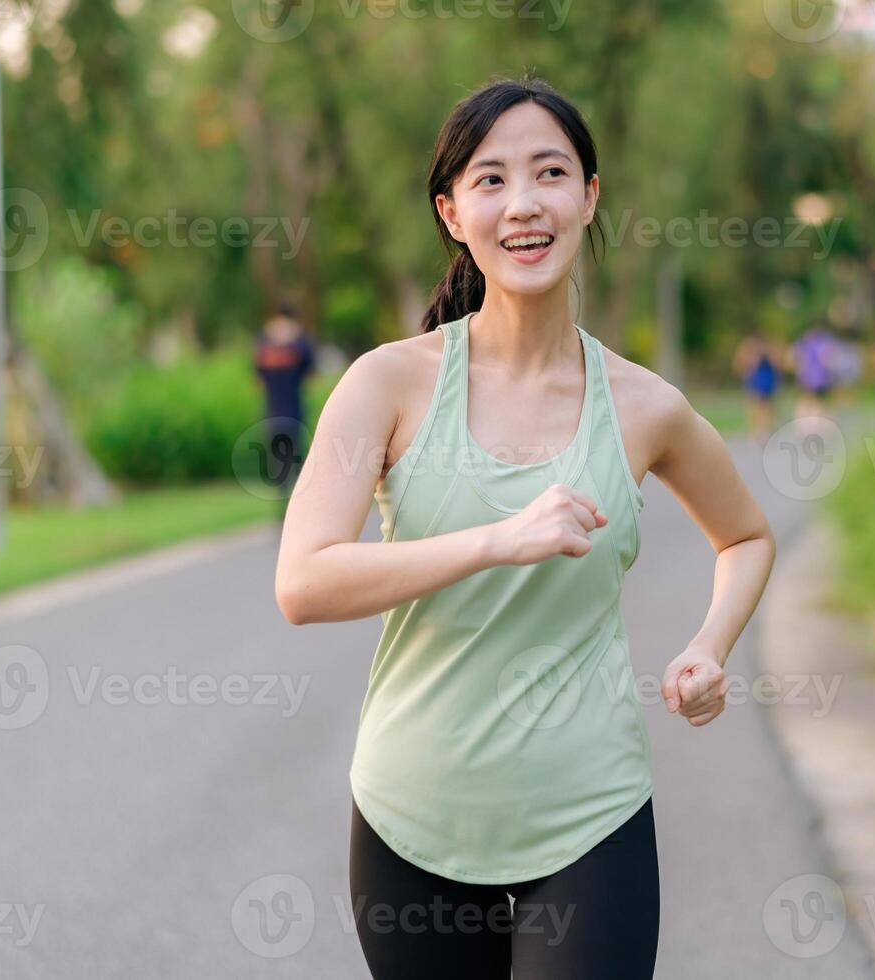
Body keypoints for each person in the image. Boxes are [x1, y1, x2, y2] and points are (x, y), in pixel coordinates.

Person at [271, 77, 777, 979]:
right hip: (412, 818)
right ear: (451, 211)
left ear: (588, 195)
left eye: (549, 173)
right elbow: (303, 583)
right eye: (490, 180)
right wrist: (496, 539)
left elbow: (745, 537)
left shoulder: (645, 406)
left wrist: (710, 644)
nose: (523, 204)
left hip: (589, 814)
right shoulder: (387, 384)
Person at [253, 302, 315, 515]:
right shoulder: (301, 343)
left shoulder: (263, 342)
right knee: (297, 459)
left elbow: (257, 379)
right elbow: (311, 374)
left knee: (277, 461)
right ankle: (297, 507)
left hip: (271, 412)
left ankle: (283, 508)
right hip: (295, 411)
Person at [733, 331, 781, 444]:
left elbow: (777, 365)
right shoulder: (746, 349)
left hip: (766, 382)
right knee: (753, 406)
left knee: (766, 407)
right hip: (753, 382)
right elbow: (739, 365)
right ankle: (755, 432)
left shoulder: (768, 350)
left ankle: (765, 431)